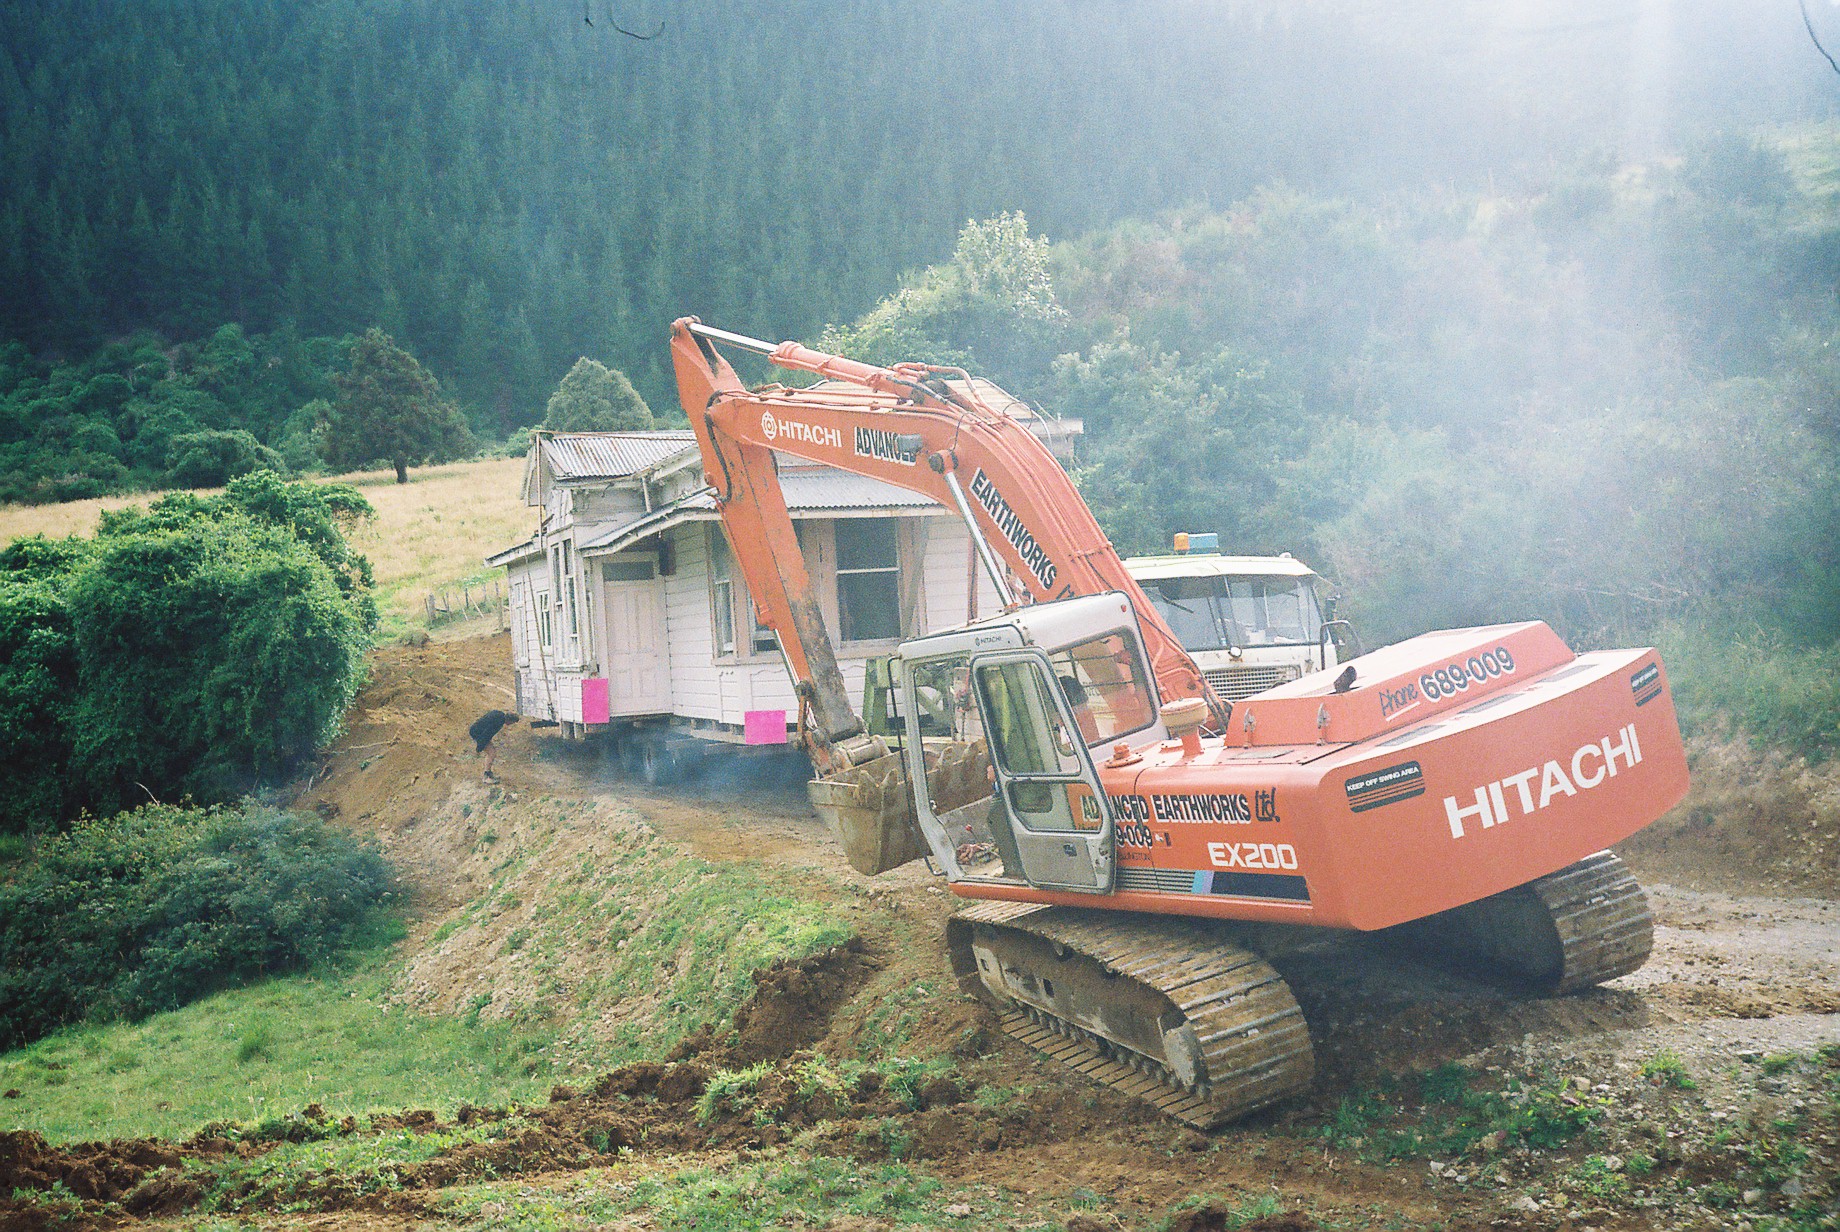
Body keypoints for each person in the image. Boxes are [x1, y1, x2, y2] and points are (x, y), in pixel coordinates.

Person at [469, 709, 519, 781]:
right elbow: (487, 734)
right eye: (512, 723)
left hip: (476, 730)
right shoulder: (498, 722)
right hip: (478, 733)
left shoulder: (499, 714)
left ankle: (488, 774)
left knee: (492, 752)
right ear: (510, 720)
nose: (511, 725)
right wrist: (479, 748)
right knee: (491, 753)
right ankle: (487, 776)